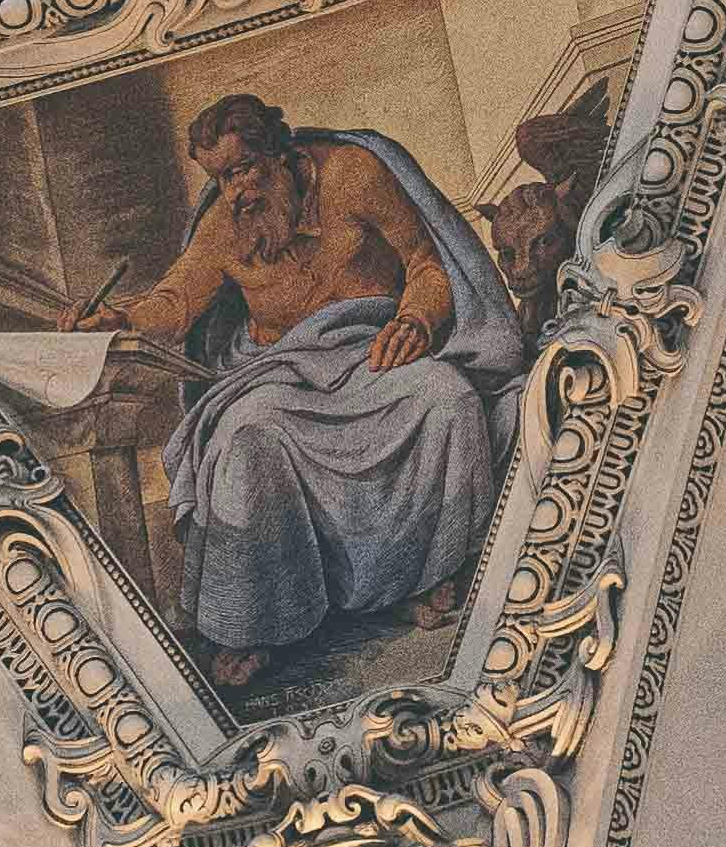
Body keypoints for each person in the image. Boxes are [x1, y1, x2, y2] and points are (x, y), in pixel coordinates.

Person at [103, 87, 529, 696]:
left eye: (245, 169)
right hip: (281, 376)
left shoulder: (352, 173)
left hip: (375, 350)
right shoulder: (226, 225)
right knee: (247, 439)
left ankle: (427, 579)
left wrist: (413, 321)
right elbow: (174, 302)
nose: (236, 193)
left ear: (281, 153)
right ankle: (251, 626)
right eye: (221, 179)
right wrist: (117, 321)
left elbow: (424, 262)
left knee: (447, 397)